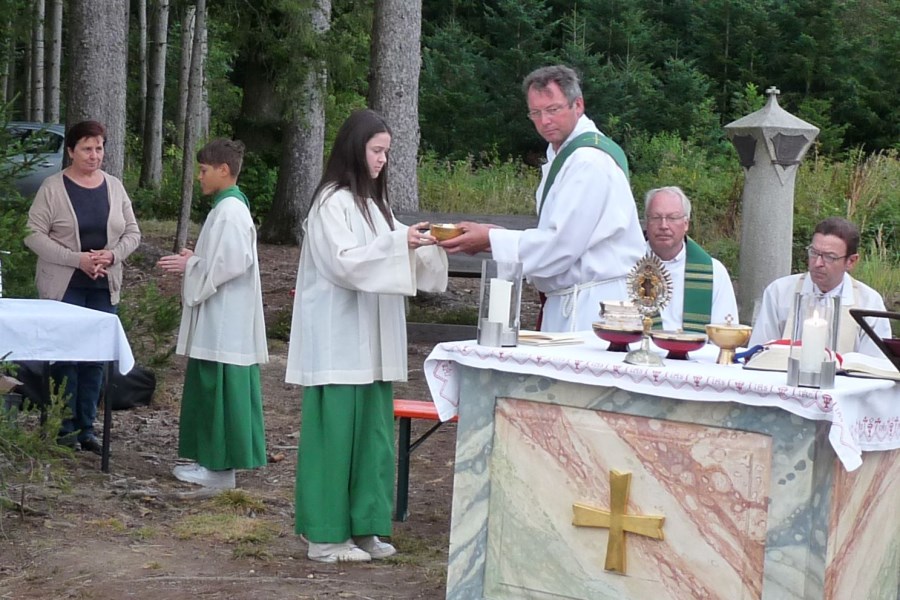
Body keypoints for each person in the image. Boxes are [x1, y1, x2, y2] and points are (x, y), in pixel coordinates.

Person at [285, 109, 448, 563]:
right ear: (355, 149)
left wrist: (423, 242)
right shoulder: (331, 203)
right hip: (339, 339)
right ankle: (325, 536)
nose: (382, 160)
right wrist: (399, 244)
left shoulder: (375, 205)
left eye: (386, 152)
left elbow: (392, 250)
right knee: (335, 439)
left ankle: (365, 525)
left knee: (373, 436)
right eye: (376, 151)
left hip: (373, 344)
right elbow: (344, 262)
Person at [440, 64, 645, 332]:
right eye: (535, 113)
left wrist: (491, 239)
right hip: (574, 297)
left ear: (578, 105)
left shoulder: (588, 161)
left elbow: (562, 245)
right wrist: (495, 237)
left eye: (553, 109)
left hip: (592, 305)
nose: (545, 121)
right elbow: (560, 236)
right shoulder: (566, 154)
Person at [24, 120, 141, 454]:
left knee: (95, 358)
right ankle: (63, 429)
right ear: (71, 151)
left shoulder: (114, 187)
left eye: (99, 148)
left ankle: (87, 428)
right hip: (65, 286)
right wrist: (77, 260)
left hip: (104, 284)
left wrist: (112, 255)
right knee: (65, 357)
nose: (94, 155)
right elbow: (32, 234)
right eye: (87, 149)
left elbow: (133, 232)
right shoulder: (53, 188)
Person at [157, 139, 268, 490]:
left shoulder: (231, 211)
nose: (199, 177)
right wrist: (198, 259)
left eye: (204, 170)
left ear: (224, 170)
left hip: (225, 322)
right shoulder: (225, 208)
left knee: (220, 391)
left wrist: (193, 264)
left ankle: (219, 470)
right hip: (221, 317)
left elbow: (232, 263)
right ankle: (211, 462)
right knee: (212, 389)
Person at [748, 217, 890, 357]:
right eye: (814, 253)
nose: (817, 263)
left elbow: (875, 363)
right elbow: (759, 352)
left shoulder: (869, 302)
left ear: (851, 261)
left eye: (830, 257)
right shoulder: (780, 291)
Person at [644, 186, 738, 332]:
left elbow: (725, 332)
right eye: (656, 217)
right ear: (646, 222)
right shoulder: (626, 267)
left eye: (672, 218)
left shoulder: (714, 272)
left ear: (686, 224)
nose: (663, 225)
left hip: (698, 347)